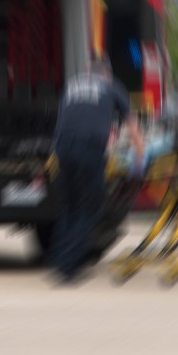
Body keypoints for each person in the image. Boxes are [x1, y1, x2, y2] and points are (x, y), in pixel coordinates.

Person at [50, 57, 144, 283]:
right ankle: (68, 269)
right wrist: (140, 155)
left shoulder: (72, 86)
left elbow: (68, 118)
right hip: (89, 150)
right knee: (90, 207)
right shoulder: (111, 86)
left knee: (69, 206)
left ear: (87, 71)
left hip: (61, 150)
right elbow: (132, 125)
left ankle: (58, 259)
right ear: (108, 74)